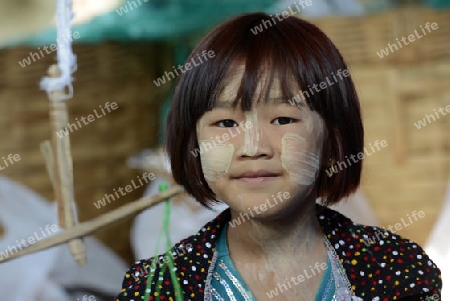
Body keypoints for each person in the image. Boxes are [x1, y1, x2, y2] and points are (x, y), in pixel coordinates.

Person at [116, 13, 442, 301]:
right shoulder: (157, 287)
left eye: (283, 119)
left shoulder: (395, 271)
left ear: (333, 138)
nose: (253, 147)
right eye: (225, 123)